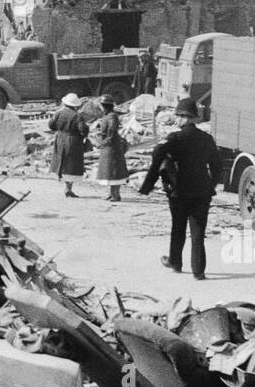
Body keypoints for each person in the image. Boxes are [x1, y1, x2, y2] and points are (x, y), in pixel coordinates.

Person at [138, 97, 222, 279]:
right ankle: (198, 271)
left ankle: (175, 261)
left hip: (180, 192)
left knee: (178, 227)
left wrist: (147, 185)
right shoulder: (207, 139)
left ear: (185, 117)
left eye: (178, 116)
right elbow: (217, 165)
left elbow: (157, 157)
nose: (176, 119)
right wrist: (212, 185)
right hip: (202, 192)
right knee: (198, 230)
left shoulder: (175, 138)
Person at [48, 93, 88, 198]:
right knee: (72, 165)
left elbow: (51, 125)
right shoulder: (77, 116)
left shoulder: (58, 113)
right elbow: (82, 129)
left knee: (63, 163)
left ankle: (67, 187)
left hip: (60, 139)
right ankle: (69, 188)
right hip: (73, 141)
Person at [93, 95, 129, 202]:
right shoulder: (108, 116)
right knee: (109, 171)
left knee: (115, 171)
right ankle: (111, 193)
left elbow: (111, 133)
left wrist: (102, 143)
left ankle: (116, 195)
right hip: (108, 146)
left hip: (112, 147)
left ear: (105, 106)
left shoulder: (112, 117)